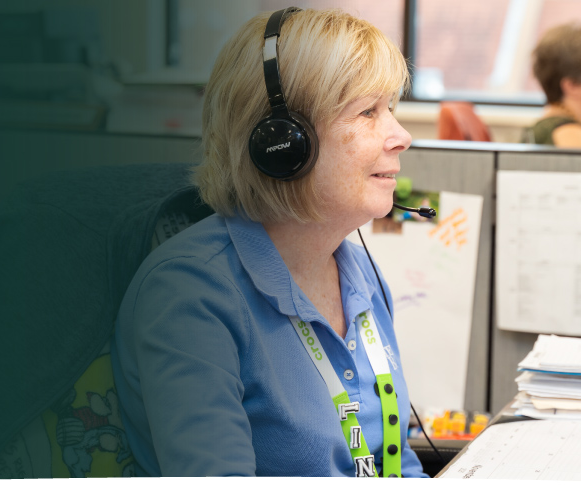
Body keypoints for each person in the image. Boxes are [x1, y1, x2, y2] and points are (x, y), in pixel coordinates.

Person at [111, 7, 428, 477]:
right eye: (368, 112)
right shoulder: (191, 293)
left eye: (391, 110)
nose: (401, 136)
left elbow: (394, 463)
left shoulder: (359, 270)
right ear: (284, 140)